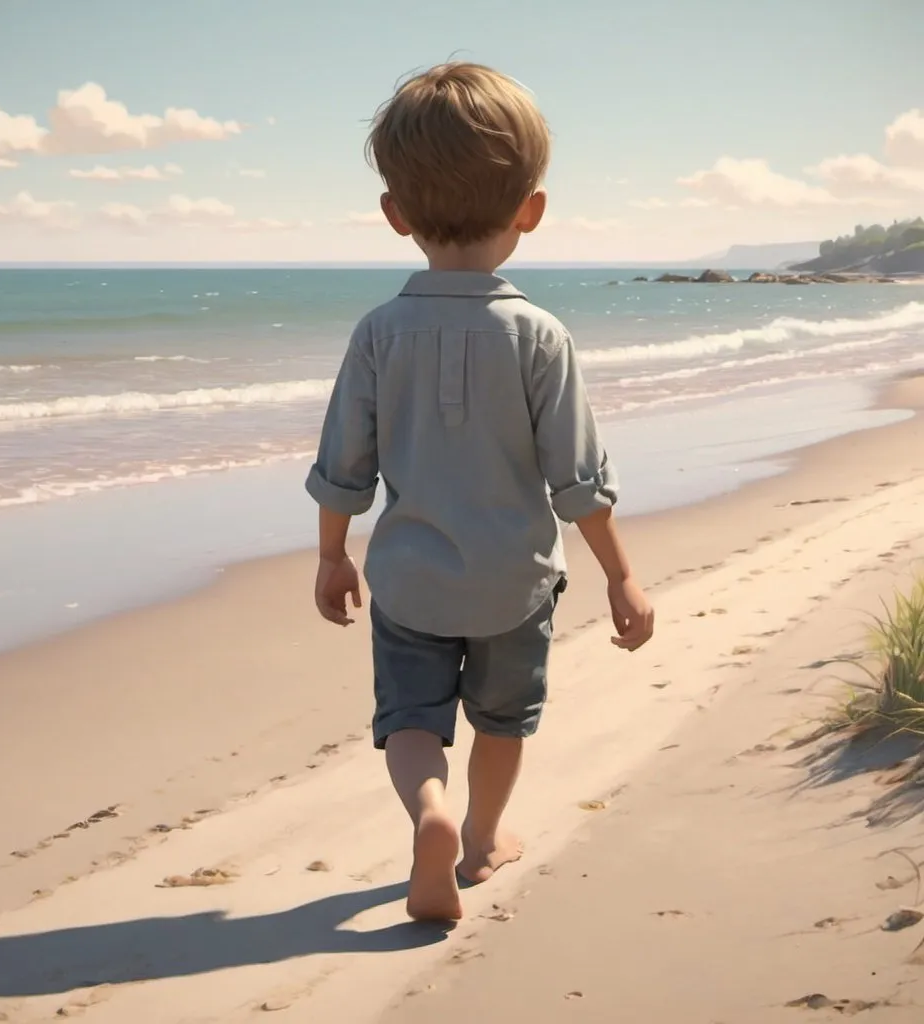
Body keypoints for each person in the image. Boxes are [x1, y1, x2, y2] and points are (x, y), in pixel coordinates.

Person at [305, 62, 654, 922]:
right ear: (530, 210)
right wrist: (620, 576)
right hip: (514, 583)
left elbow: (345, 462)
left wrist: (330, 556)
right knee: (503, 720)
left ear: (395, 215)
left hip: (412, 579)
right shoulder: (539, 334)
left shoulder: (379, 332)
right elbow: (579, 479)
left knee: (411, 720)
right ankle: (483, 838)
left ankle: (430, 812)